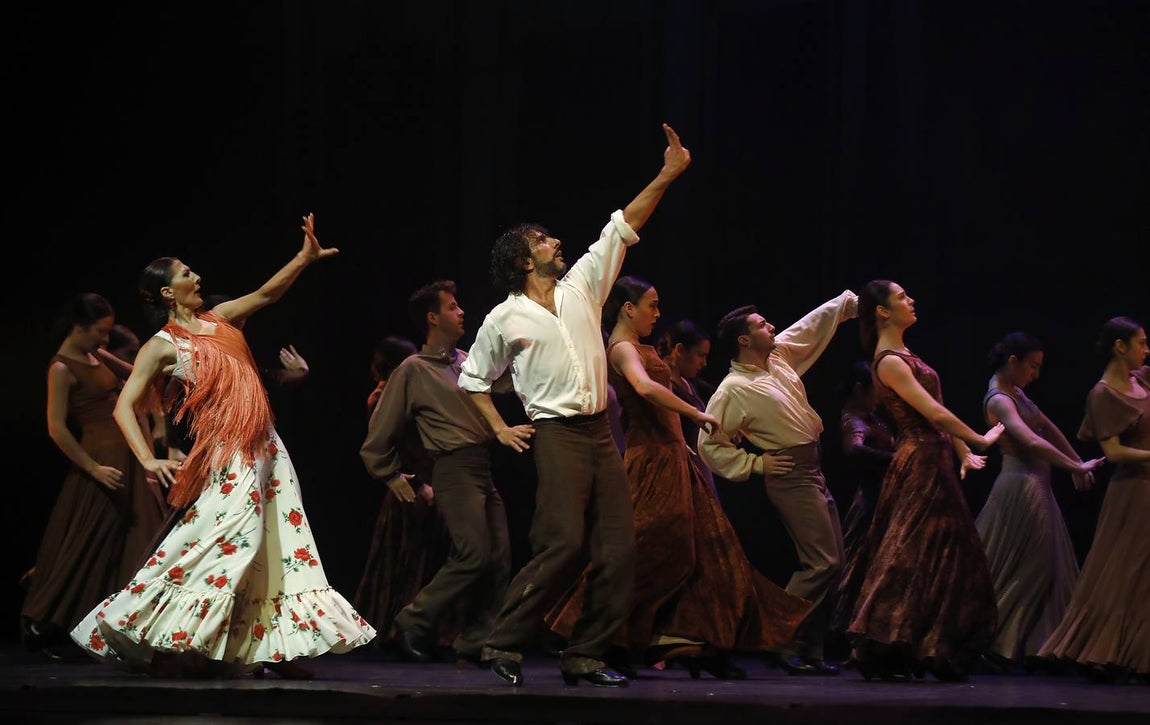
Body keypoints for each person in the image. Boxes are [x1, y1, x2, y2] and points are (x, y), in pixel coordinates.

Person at [69, 213, 376, 678]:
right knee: (234, 539)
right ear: (168, 292)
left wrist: (304, 257)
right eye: (187, 274)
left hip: (267, 448)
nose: (198, 278)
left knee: (283, 541)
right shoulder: (161, 345)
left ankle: (275, 648)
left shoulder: (221, 318)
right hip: (229, 452)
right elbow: (124, 406)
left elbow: (268, 293)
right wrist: (148, 458)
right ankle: (166, 632)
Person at [457, 122, 692, 688]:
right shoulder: (504, 317)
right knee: (561, 543)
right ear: (521, 259)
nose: (555, 242)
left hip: (599, 434)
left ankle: (586, 654)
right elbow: (472, 380)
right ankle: (502, 642)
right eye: (543, 240)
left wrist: (667, 173)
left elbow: (624, 225)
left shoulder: (583, 286)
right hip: (557, 435)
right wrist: (499, 429)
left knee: (619, 549)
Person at [545, 276, 810, 679]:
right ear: (628, 309)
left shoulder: (638, 347)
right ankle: (595, 633)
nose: (657, 313)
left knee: (713, 553)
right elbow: (643, 387)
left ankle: (695, 642)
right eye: (651, 305)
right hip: (650, 464)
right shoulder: (621, 349)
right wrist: (696, 414)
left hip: (675, 460)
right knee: (646, 548)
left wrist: (686, 439)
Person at [841, 279, 1003, 682]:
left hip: (936, 458)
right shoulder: (890, 360)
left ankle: (932, 646)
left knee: (942, 553)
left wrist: (964, 453)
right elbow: (932, 412)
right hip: (919, 461)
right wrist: (977, 437)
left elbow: (938, 411)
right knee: (910, 554)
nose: (911, 301)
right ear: (881, 311)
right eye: (901, 297)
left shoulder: (904, 354)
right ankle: (885, 644)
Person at [361, 280, 529, 666]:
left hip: (483, 467)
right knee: (473, 553)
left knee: (499, 556)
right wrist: (391, 476)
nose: (461, 312)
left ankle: (476, 641)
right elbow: (379, 432)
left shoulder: (465, 361)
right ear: (433, 318)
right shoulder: (412, 371)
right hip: (453, 468)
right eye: (452, 307)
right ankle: (411, 620)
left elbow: (499, 383)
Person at [698, 290, 858, 676]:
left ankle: (811, 649)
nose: (772, 327)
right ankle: (780, 638)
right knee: (823, 562)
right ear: (743, 339)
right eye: (762, 325)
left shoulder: (778, 358)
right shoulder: (733, 389)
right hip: (789, 474)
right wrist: (755, 464)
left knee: (833, 564)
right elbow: (709, 444)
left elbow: (808, 327)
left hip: (812, 469)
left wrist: (848, 304)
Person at [21, 294, 169, 659]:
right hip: (101, 462)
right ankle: (40, 619)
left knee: (133, 542)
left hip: (128, 459)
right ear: (79, 328)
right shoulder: (61, 367)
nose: (105, 339)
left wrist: (106, 354)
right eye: (99, 332)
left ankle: (125, 628)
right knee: (84, 544)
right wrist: (92, 469)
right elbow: (57, 428)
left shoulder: (95, 355)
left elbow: (136, 376)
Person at [975, 332, 1105, 672]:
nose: (1035, 374)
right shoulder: (999, 399)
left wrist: (1075, 460)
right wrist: (1073, 466)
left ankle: (1032, 646)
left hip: (1037, 485)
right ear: (1013, 362)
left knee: (1047, 566)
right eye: (1031, 366)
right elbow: (1030, 441)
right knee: (1035, 566)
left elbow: (1047, 428)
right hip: (1020, 486)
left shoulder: (1016, 392)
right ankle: (995, 643)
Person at [1038, 316, 1150, 684]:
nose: (1146, 350)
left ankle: (1137, 653)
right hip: (1133, 492)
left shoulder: (1142, 380)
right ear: (1120, 347)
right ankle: (1107, 650)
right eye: (1141, 343)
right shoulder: (1102, 394)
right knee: (1122, 571)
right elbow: (1114, 453)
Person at [827, 360, 894, 656]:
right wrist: (896, 459)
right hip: (870, 501)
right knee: (859, 567)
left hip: (884, 498)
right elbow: (853, 448)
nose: (880, 396)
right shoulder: (853, 420)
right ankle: (842, 638)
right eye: (875, 389)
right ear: (859, 389)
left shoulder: (873, 417)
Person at [658, 320, 718, 492]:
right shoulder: (662, 387)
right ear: (679, 350)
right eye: (700, 355)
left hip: (700, 467)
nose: (704, 363)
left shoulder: (689, 383)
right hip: (678, 472)